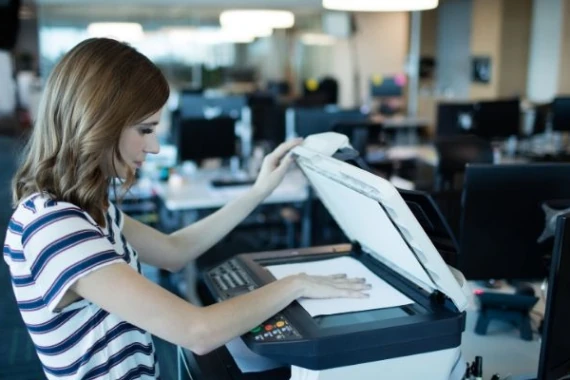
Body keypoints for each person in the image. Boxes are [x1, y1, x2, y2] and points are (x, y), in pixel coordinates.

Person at [3, 38, 371, 380]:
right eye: (145, 130)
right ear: (99, 123)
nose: (156, 146)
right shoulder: (54, 225)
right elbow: (198, 331)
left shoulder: (87, 208)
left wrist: (259, 190)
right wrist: (295, 285)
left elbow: (174, 251)